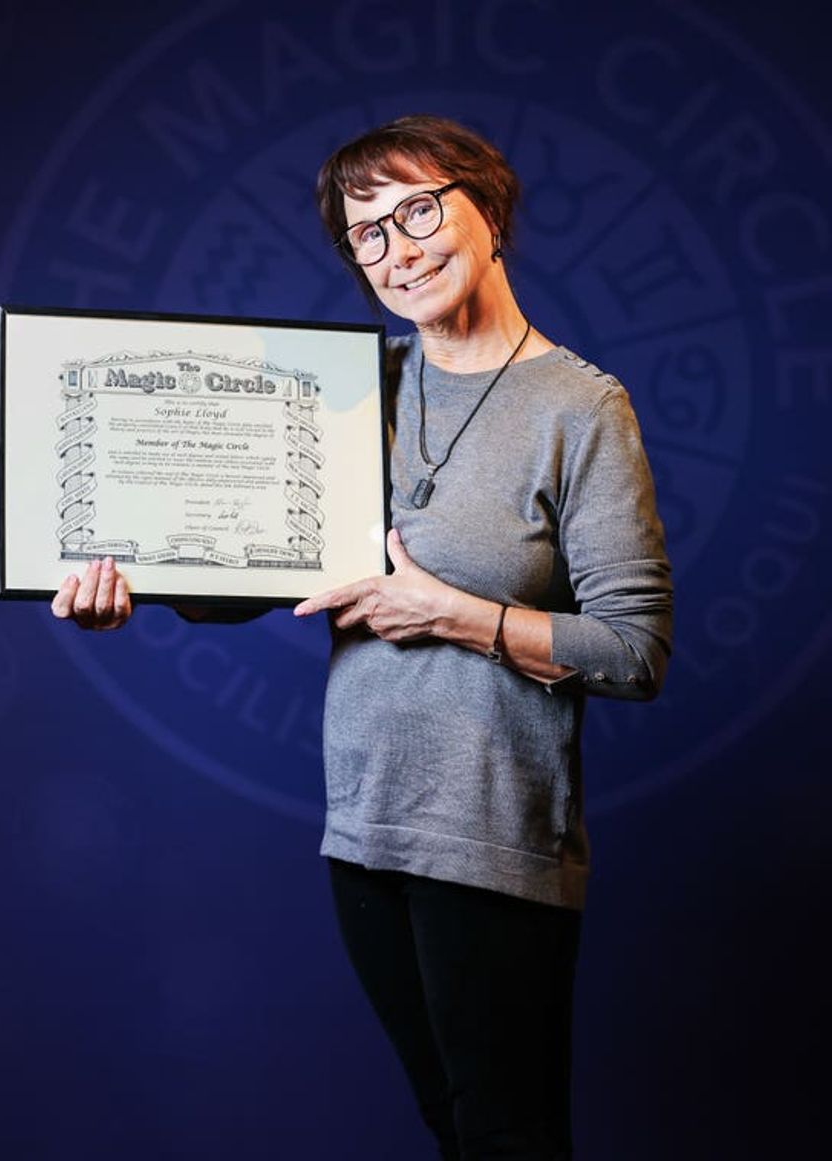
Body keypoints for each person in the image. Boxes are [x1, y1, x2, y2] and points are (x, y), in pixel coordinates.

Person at [52, 115, 672, 1160]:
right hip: (364, 826)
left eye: (419, 210)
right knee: (449, 1125)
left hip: (492, 832)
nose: (399, 249)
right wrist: (140, 582)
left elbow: (634, 651)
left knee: (507, 1136)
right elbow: (262, 569)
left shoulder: (579, 406)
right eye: (366, 234)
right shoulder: (345, 391)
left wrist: (448, 613)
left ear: (488, 206)